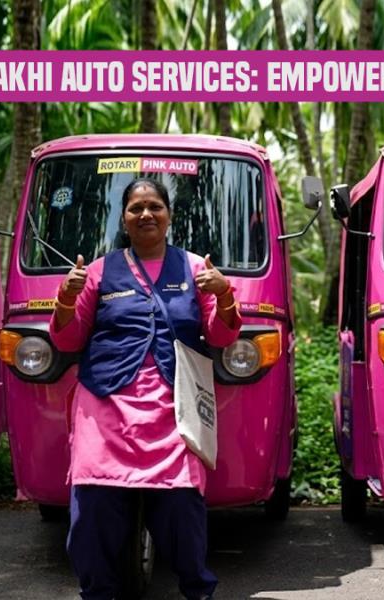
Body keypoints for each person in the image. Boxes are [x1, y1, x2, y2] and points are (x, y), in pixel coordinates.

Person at [50, 177, 241, 600]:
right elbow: (68, 339)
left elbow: (221, 335)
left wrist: (225, 293)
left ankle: (197, 590)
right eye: (135, 208)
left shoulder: (197, 268)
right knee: (93, 506)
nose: (145, 214)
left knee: (181, 506)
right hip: (105, 404)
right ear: (124, 219)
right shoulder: (97, 271)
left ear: (169, 216)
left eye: (155, 206)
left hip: (175, 408)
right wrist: (65, 298)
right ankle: (98, 593)